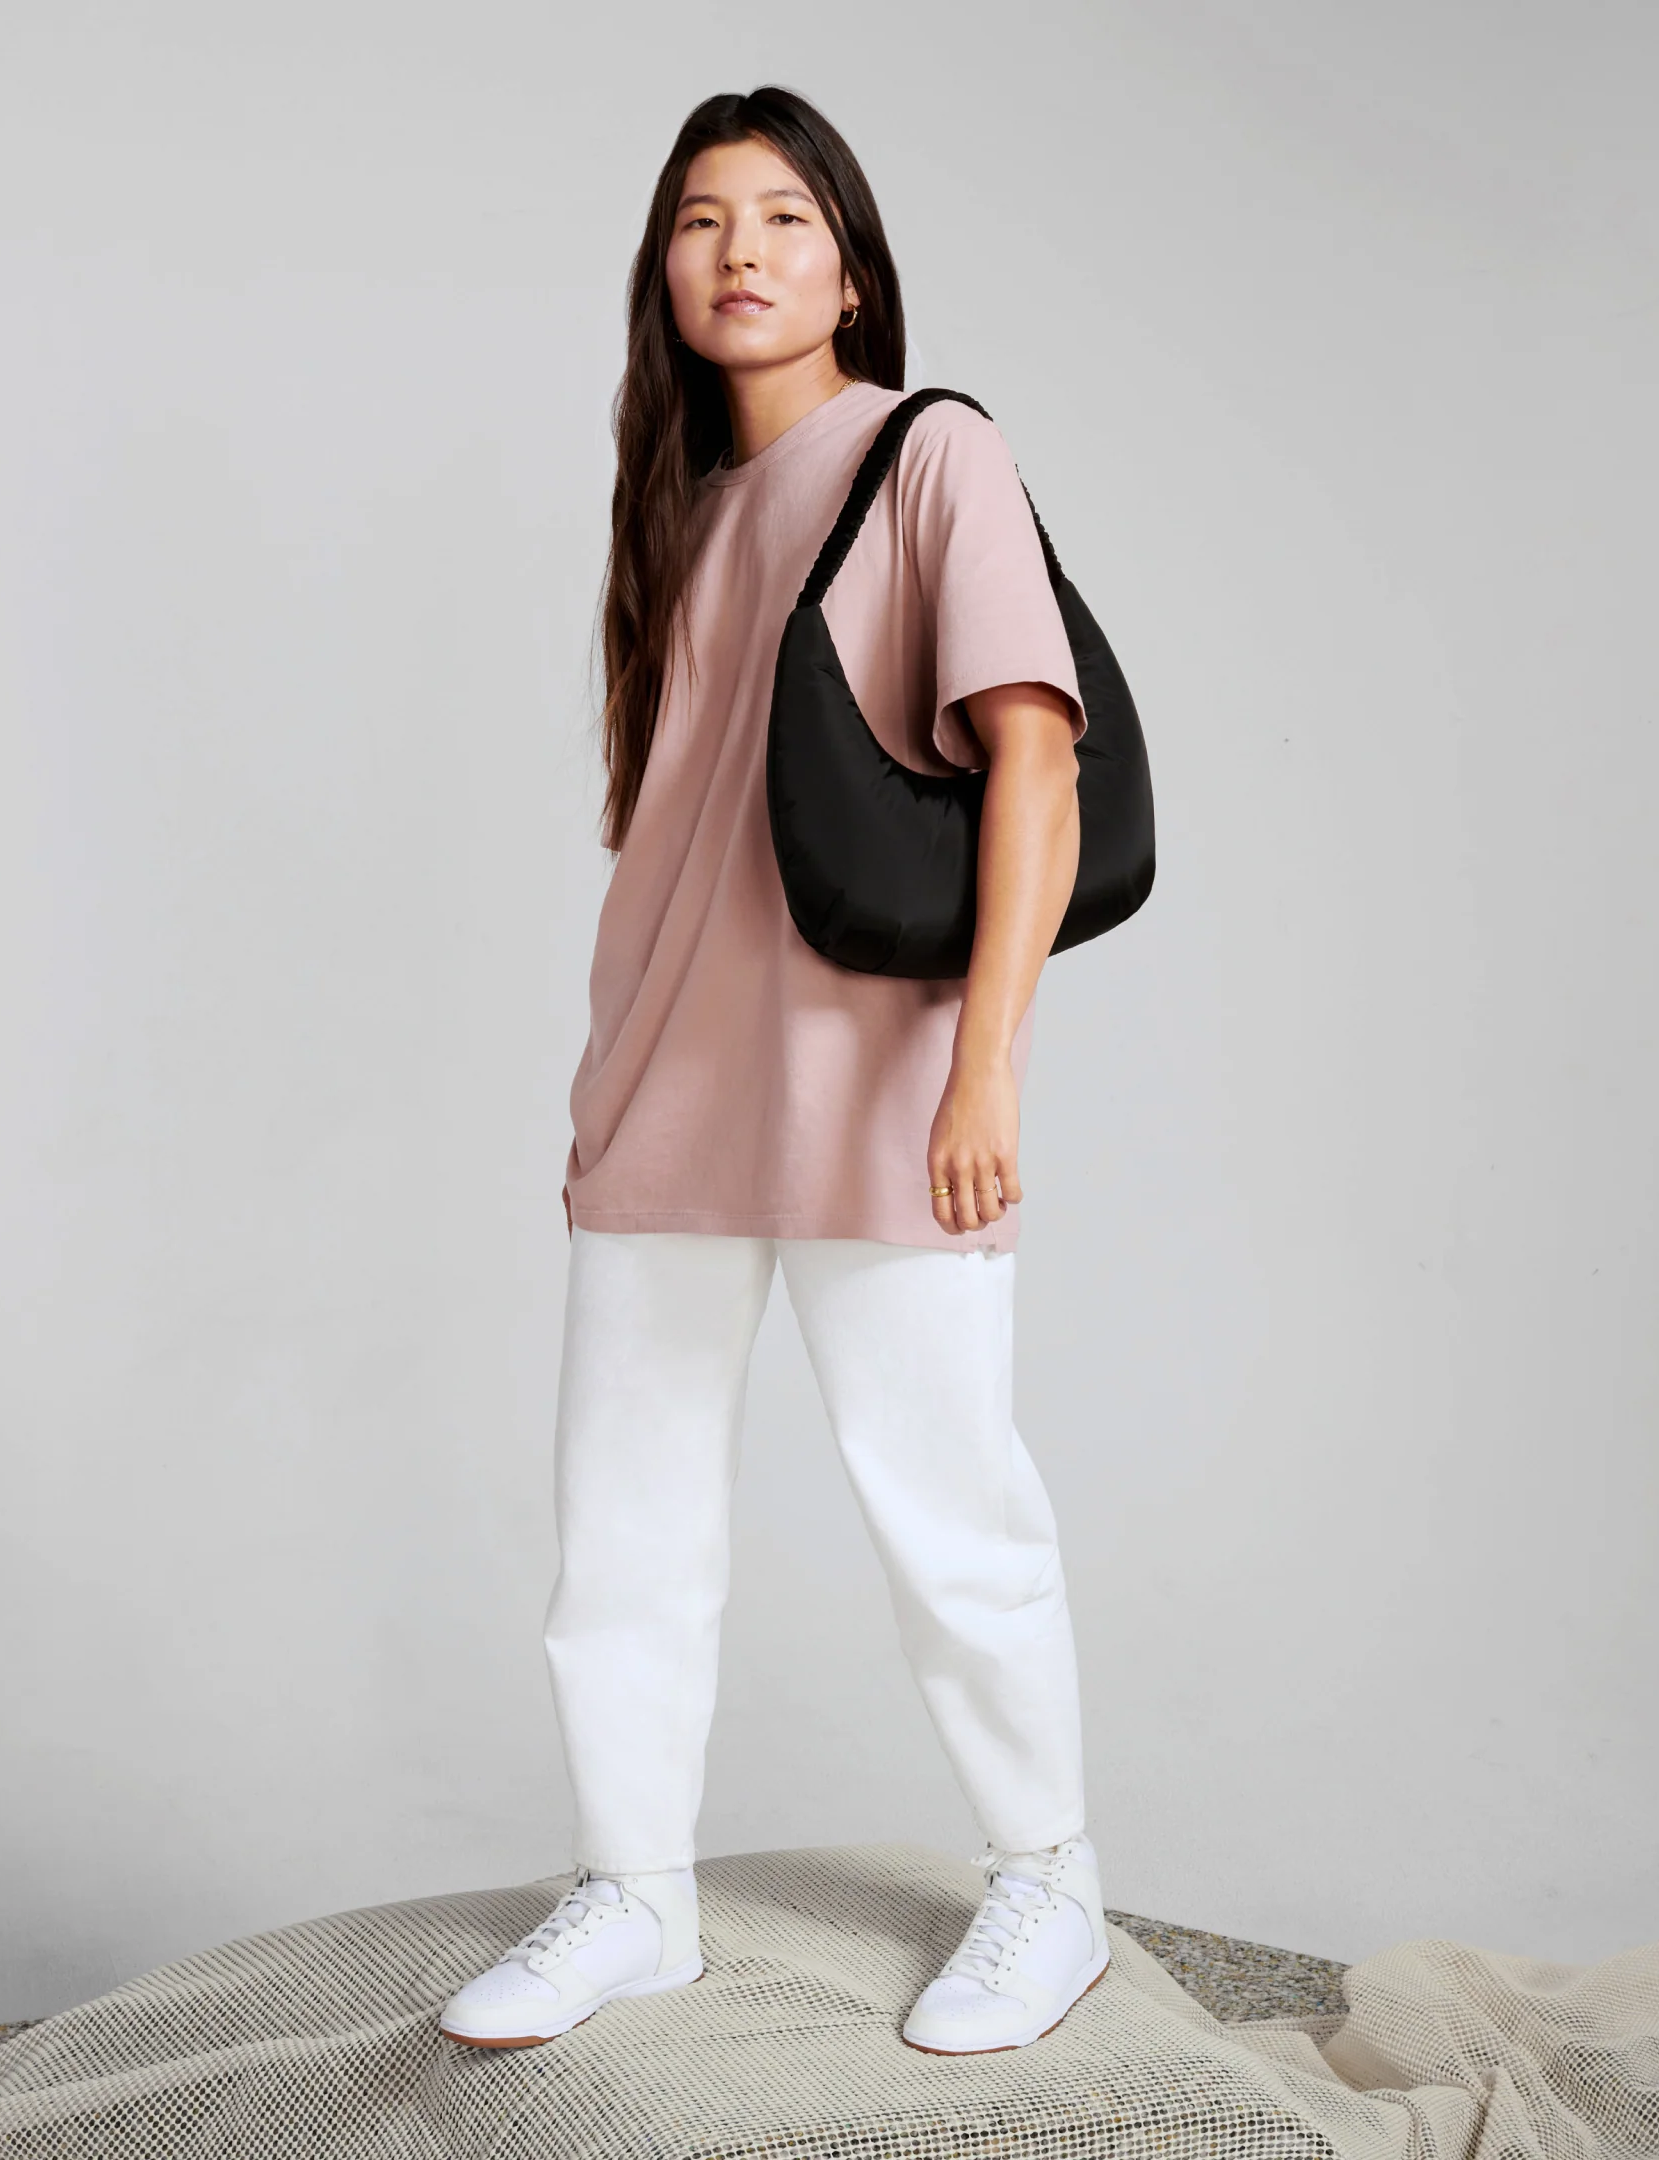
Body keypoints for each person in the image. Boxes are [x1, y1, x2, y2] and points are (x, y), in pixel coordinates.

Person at [439, 85, 1107, 2059]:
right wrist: (606, 1078)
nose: (740, 251)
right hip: (663, 1090)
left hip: (880, 1088)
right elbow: (672, 837)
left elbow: (1036, 762)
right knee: (622, 1535)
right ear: (663, 270)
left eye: (787, 216)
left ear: (853, 268)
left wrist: (984, 1070)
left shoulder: (931, 454)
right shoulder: (679, 512)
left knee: (953, 1519)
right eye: (701, 220)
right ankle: (635, 1892)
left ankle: (1049, 1881)